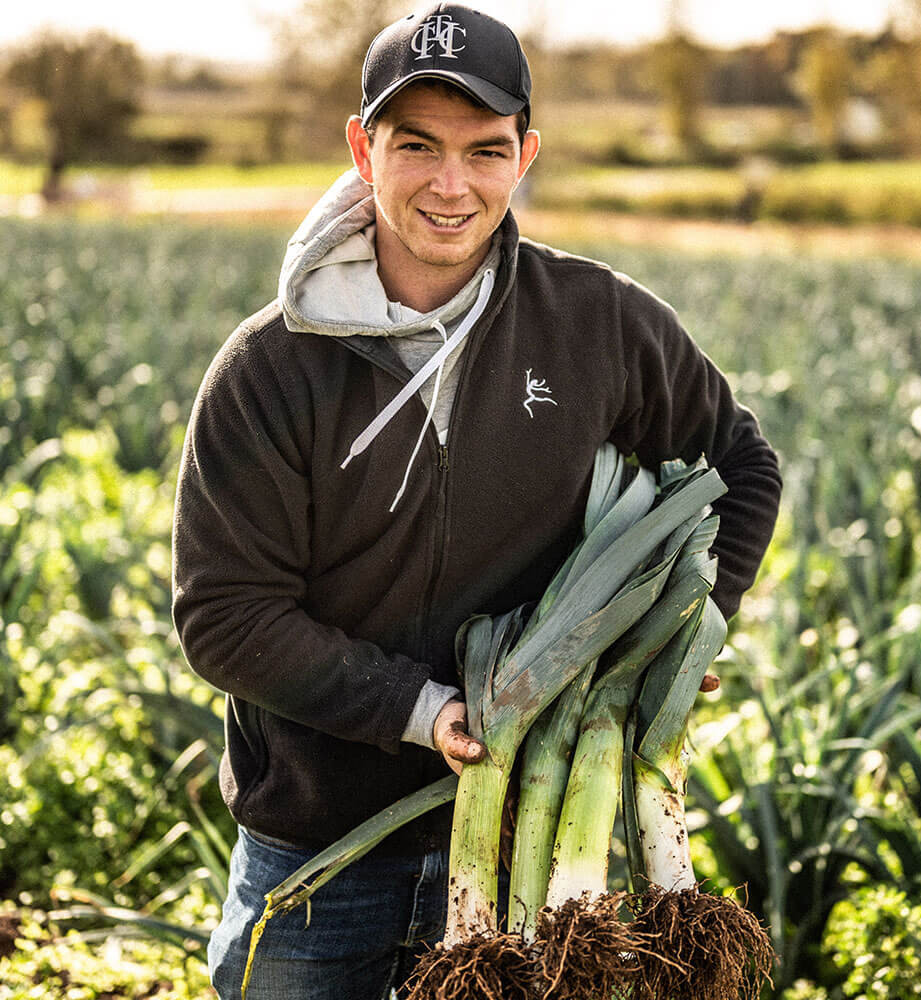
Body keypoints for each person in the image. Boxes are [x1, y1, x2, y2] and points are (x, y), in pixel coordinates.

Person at [171, 4, 782, 998]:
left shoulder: (595, 322)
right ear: (361, 151)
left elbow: (740, 463)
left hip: (526, 854)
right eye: (416, 146)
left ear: (524, 155)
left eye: (484, 150)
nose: (451, 185)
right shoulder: (268, 370)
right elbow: (225, 616)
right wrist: (421, 711)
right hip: (322, 857)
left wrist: (692, 634)